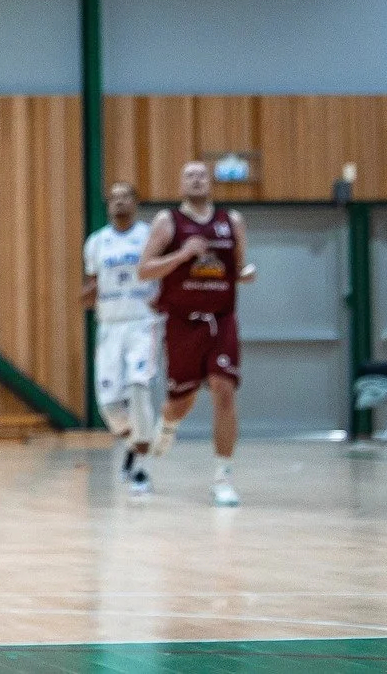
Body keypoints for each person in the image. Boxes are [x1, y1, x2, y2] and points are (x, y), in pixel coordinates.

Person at [139, 160, 256, 507]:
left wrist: (245, 274)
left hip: (221, 320)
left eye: (202, 175)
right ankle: (167, 423)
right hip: (182, 323)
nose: (197, 180)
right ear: (181, 184)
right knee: (181, 402)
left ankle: (223, 478)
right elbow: (144, 270)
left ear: (210, 183)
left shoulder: (232, 221)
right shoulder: (168, 221)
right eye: (190, 175)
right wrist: (182, 254)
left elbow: (237, 267)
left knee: (224, 389)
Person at [81, 181, 160, 495]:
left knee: (138, 387)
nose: (119, 202)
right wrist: (86, 296)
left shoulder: (149, 236)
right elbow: (92, 285)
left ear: (135, 202)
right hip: (110, 325)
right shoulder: (96, 242)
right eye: (114, 197)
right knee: (109, 404)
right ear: (108, 204)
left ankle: (142, 467)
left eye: (125, 196)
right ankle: (133, 445)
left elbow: (163, 273)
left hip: (142, 321)